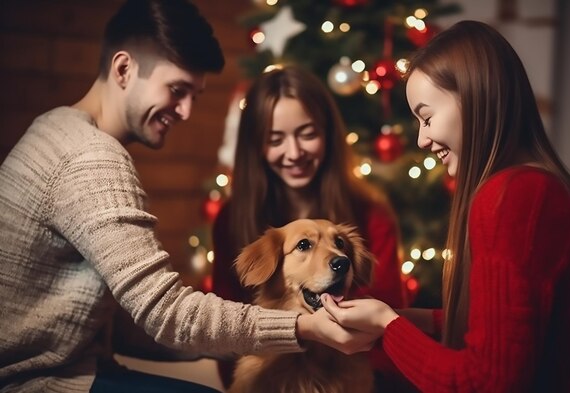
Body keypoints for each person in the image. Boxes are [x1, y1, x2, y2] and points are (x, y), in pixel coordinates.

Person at [0, 1, 377, 392]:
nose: (184, 111)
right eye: (177, 90)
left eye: (194, 96)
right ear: (123, 68)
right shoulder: (91, 157)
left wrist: (230, 343)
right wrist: (299, 327)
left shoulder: (55, 130)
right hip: (38, 381)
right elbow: (165, 312)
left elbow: (133, 321)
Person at [322, 20, 570, 392]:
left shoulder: (513, 197)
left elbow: (484, 382)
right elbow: (508, 327)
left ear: (475, 96)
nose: (421, 138)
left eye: (427, 117)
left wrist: (389, 325)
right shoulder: (537, 183)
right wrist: (403, 318)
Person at [211, 65, 410, 391]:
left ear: (328, 134)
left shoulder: (371, 212)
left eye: (307, 133)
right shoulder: (232, 219)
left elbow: (388, 324)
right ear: (255, 147)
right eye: (275, 139)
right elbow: (225, 329)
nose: (294, 153)